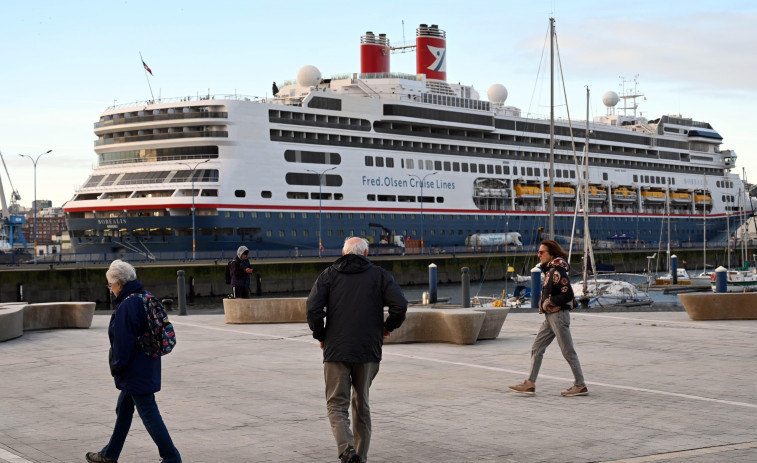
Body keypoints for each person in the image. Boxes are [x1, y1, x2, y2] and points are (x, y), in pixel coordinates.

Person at [307, 237, 408, 463]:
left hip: (336, 349)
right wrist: (387, 327)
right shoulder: (380, 275)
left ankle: (346, 450)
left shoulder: (328, 275)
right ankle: (359, 457)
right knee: (362, 403)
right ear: (365, 253)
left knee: (336, 403)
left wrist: (321, 335)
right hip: (367, 349)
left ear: (343, 253)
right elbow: (400, 305)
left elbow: (313, 309)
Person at [86, 259, 181, 463]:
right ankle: (109, 454)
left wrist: (117, 367)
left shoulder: (127, 306)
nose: (110, 289)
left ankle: (171, 458)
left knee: (148, 412)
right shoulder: (145, 297)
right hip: (147, 364)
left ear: (119, 283)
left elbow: (123, 343)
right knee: (124, 409)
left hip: (134, 369)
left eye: (110, 285)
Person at [509, 240, 588, 397]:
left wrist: (550, 301)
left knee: (568, 351)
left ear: (551, 254)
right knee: (537, 347)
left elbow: (568, 293)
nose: (539, 255)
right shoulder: (550, 270)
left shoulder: (557, 271)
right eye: (538, 252)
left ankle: (580, 385)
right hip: (550, 317)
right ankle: (530, 384)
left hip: (558, 316)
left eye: (541, 252)